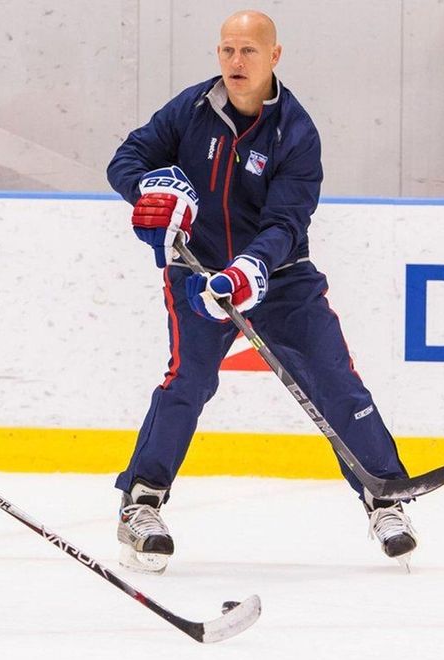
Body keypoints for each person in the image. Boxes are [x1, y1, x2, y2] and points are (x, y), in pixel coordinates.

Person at [106, 10, 419, 574]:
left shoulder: (297, 133)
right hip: (198, 272)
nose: (234, 62)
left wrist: (253, 268)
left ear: (274, 56)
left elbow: (286, 222)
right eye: (226, 50)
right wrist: (149, 188)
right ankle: (141, 503)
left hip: (281, 278)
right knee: (188, 381)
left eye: (248, 51)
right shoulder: (190, 110)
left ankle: (385, 498)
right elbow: (125, 160)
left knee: (336, 381)